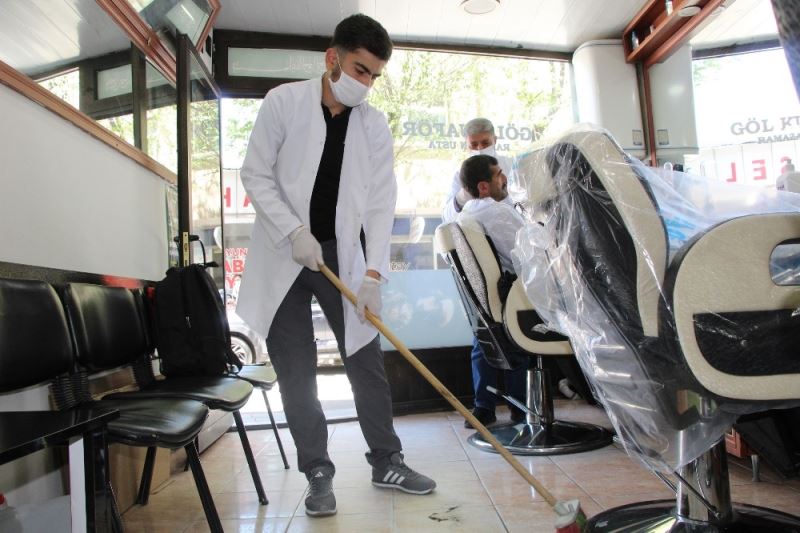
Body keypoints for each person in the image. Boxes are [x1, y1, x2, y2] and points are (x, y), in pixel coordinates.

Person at [237, 13, 435, 518]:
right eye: (360, 69)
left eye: (374, 75)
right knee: (297, 370)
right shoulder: (283, 102)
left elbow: (380, 204)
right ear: (333, 59)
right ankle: (317, 472)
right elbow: (255, 174)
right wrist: (293, 231)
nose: (365, 83)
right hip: (284, 252)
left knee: (365, 360)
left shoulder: (373, 125)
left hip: (339, 255)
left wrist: (372, 275)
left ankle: (387, 461)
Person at [456, 154, 528, 428]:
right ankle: (521, 409)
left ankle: (484, 406)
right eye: (499, 174)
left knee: (484, 341)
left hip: (487, 303)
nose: (504, 178)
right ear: (484, 186)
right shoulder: (497, 213)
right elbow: (528, 255)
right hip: (513, 299)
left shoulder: (467, 213)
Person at [441, 117, 519, 224]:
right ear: (466, 145)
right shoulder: (460, 175)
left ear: (495, 140)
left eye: (485, 143)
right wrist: (462, 197)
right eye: (473, 144)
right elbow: (447, 218)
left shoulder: (512, 166)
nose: (480, 148)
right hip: (477, 230)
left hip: (512, 225)